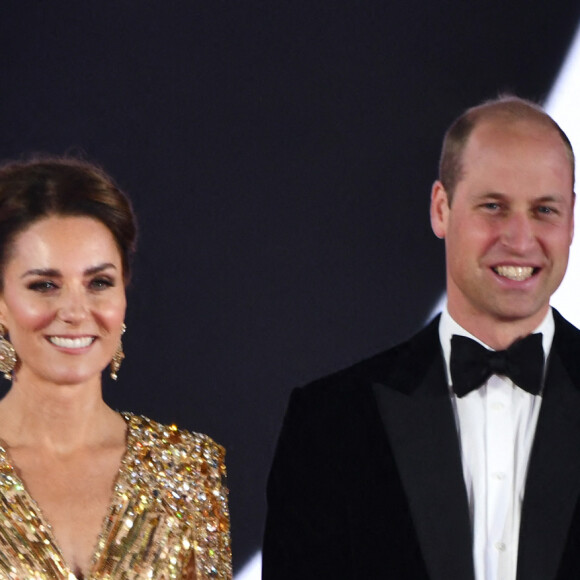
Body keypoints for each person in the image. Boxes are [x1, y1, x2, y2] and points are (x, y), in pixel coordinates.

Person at [263, 96, 580, 580]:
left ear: (572, 219)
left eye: (544, 210)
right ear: (441, 209)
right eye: (493, 207)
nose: (520, 239)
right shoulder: (330, 423)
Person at [0, 157, 232, 579]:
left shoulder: (185, 469)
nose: (74, 311)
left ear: (123, 292)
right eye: (44, 285)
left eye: (99, 283)